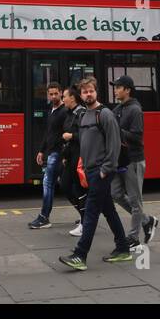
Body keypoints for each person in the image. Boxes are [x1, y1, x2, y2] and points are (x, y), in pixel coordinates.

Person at [58, 76, 132, 271]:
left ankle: (80, 255)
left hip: (101, 172)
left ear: (96, 92)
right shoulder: (83, 116)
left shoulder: (105, 114)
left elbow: (114, 145)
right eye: (85, 92)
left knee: (90, 213)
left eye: (91, 90)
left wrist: (105, 169)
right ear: (81, 95)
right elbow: (84, 143)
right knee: (109, 210)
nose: (88, 94)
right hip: (90, 171)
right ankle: (123, 247)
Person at [111, 75, 157, 247]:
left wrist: (118, 130)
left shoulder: (135, 110)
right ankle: (147, 220)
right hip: (120, 160)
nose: (115, 90)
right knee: (115, 194)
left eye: (118, 87)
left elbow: (137, 137)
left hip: (133, 160)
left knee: (135, 200)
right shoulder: (118, 108)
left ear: (127, 90)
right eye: (115, 87)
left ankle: (133, 238)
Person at [29, 82, 67, 229]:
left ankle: (44, 217)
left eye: (55, 94)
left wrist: (62, 154)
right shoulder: (52, 109)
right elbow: (48, 133)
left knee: (48, 183)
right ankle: (84, 216)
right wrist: (41, 151)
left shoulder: (64, 112)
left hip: (57, 153)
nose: (53, 96)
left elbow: (65, 134)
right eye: (50, 94)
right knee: (69, 186)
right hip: (51, 152)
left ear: (61, 93)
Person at [58, 84, 88, 237]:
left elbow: (86, 135)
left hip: (79, 156)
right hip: (70, 156)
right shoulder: (69, 113)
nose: (63, 100)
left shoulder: (82, 113)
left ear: (72, 98)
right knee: (65, 185)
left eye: (64, 96)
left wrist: (72, 136)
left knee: (79, 189)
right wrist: (64, 156)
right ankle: (85, 216)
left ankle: (85, 222)